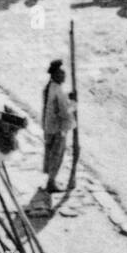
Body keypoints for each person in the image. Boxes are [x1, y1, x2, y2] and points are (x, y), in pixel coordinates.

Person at [42, 58, 76, 194]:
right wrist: (73, 103)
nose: (64, 76)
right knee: (57, 154)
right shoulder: (58, 90)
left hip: (49, 125)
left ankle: (50, 179)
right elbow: (64, 111)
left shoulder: (50, 87)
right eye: (61, 74)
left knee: (50, 153)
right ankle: (51, 182)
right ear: (55, 75)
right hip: (57, 128)